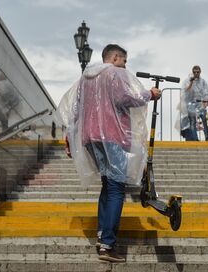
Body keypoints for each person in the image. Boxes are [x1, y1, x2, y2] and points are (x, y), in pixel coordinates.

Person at [57, 44, 161, 263]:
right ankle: (108, 245)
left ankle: (101, 235)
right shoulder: (115, 73)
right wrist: (149, 94)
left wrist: (70, 136)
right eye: (124, 61)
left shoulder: (86, 78)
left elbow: (76, 109)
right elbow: (125, 98)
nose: (125, 66)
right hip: (112, 136)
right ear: (115, 58)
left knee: (108, 184)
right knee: (116, 189)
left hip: (89, 137)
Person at [179, 65, 208, 141]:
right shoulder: (187, 80)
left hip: (200, 103)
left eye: (198, 72)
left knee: (204, 119)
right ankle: (195, 138)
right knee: (192, 121)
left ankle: (207, 136)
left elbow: (205, 91)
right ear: (192, 72)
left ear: (200, 72)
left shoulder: (203, 81)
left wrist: (206, 101)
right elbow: (185, 91)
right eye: (194, 72)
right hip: (190, 103)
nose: (196, 73)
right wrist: (191, 83)